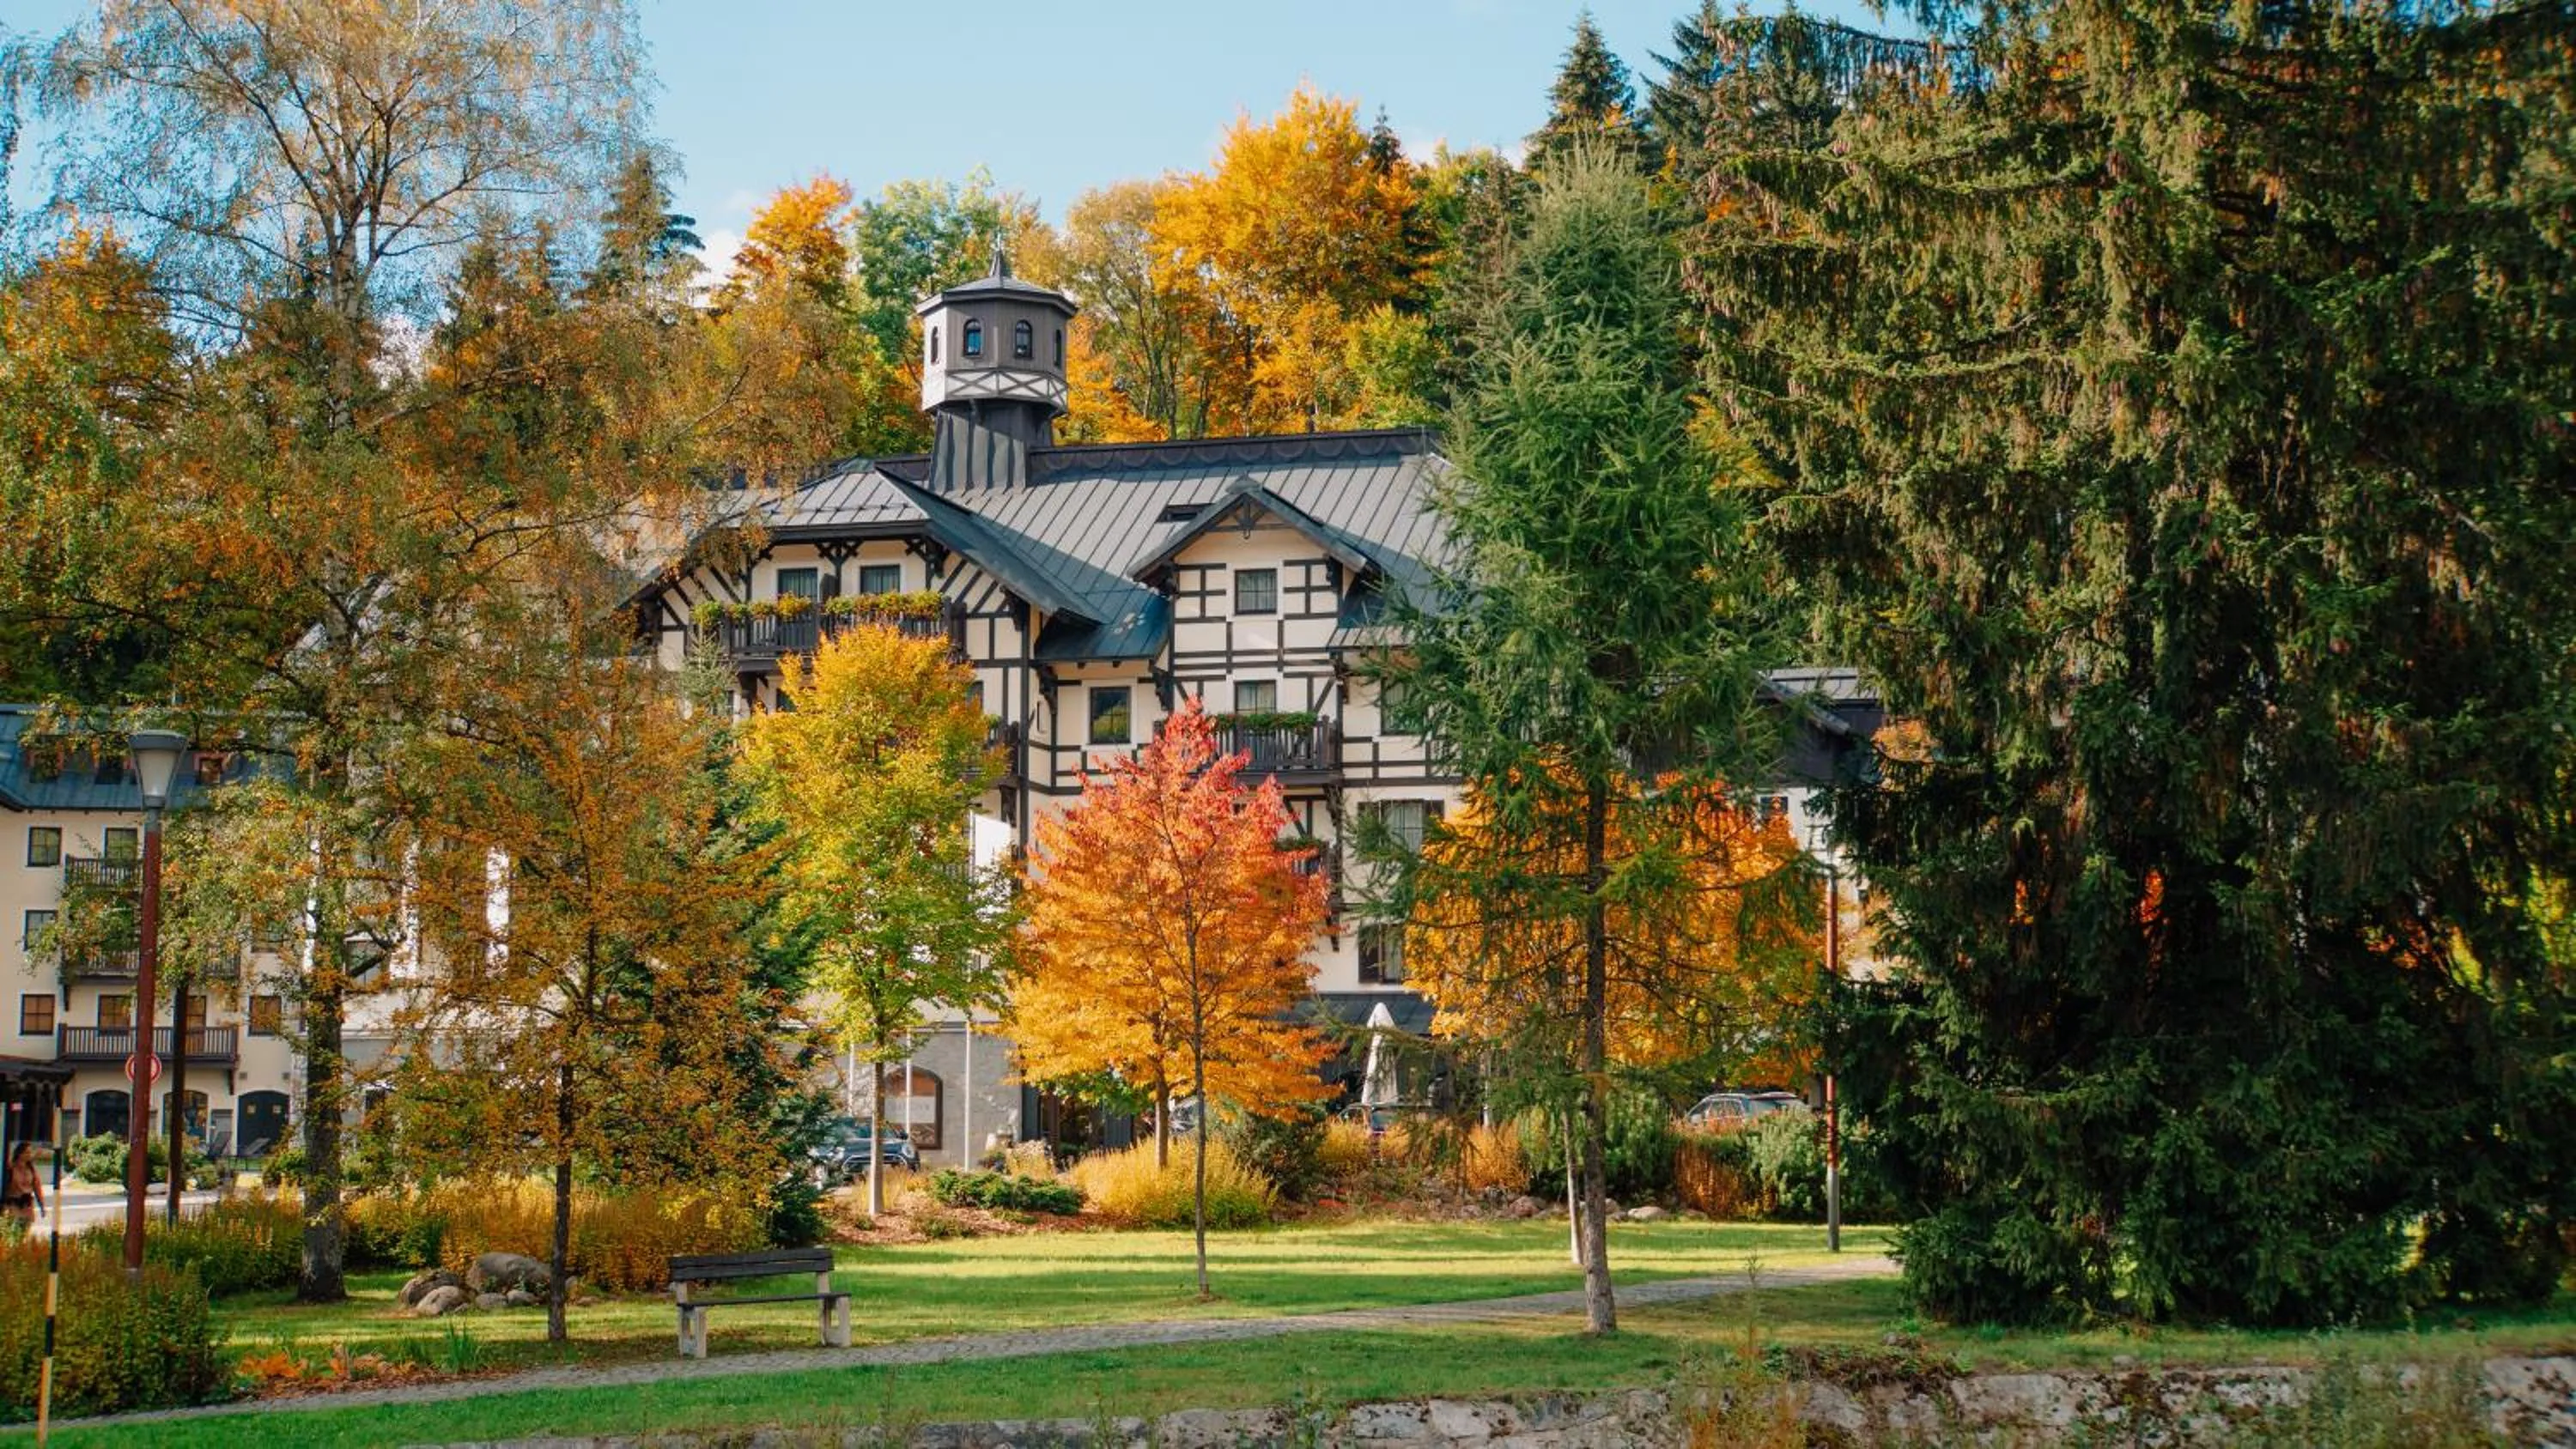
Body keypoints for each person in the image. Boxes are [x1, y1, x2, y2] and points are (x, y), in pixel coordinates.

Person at [3, 1141, 42, 1228]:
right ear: (20, 1154)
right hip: (13, 1204)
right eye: (26, 1152)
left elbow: (37, 1188)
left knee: (24, 1230)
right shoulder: (11, 1168)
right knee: (13, 1230)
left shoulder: (31, 1169)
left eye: (30, 1152)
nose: (29, 1155)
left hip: (27, 1205)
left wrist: (42, 1206)